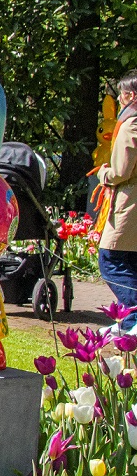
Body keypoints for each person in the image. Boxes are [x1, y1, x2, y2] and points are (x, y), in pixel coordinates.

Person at [97, 71, 137, 307]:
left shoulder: (131, 125)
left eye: (121, 95)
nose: (119, 100)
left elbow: (121, 171)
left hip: (129, 201)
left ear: (130, 96)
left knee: (110, 260)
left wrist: (103, 172)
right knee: (130, 262)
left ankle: (133, 315)